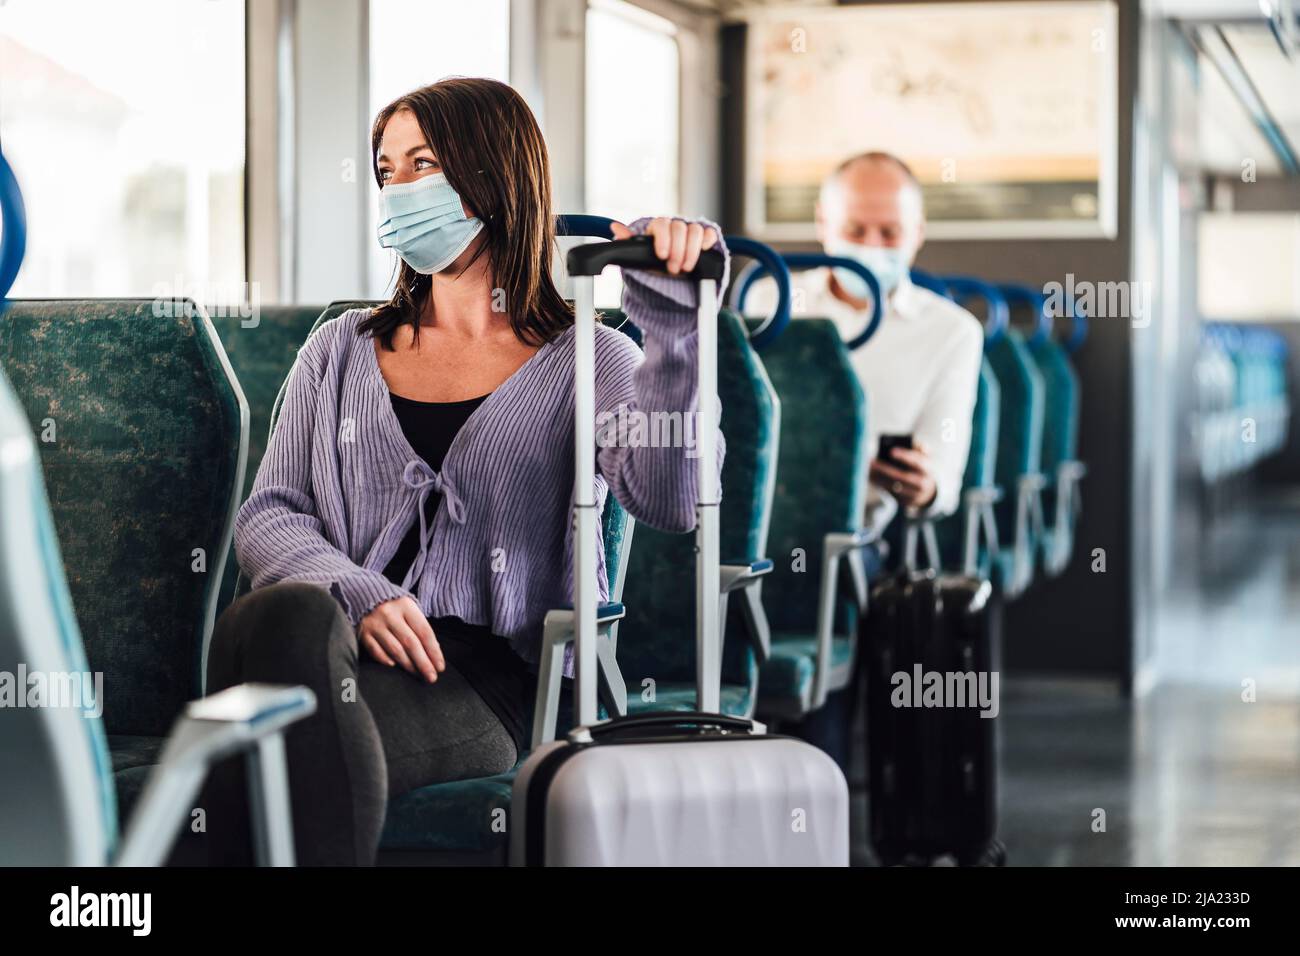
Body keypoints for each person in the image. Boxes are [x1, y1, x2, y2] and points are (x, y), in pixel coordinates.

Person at [203, 77, 727, 866]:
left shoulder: (590, 358)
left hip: (482, 680)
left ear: (491, 176)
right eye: (386, 171)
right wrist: (361, 592)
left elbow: (676, 499)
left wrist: (676, 330)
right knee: (282, 619)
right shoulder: (338, 349)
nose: (398, 190)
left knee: (258, 759)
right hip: (321, 645)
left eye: (423, 164)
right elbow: (270, 514)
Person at [746, 152, 983, 772]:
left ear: (918, 235)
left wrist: (924, 484)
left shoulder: (949, 331)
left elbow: (944, 474)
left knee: (833, 575)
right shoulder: (765, 304)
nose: (873, 247)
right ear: (824, 224)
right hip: (744, 526)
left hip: (852, 537)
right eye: (856, 231)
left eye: (890, 233)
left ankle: (814, 791)